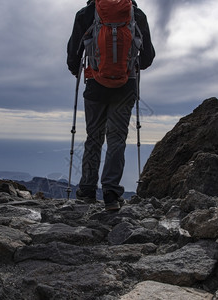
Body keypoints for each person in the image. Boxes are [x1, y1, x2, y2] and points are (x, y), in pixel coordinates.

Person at [67, 0, 155, 210]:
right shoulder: (136, 14)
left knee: (94, 138)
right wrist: (131, 66)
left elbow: (73, 54)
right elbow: (148, 57)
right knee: (117, 139)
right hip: (125, 87)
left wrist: (78, 69)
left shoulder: (86, 13)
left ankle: (87, 190)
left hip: (95, 86)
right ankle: (111, 194)